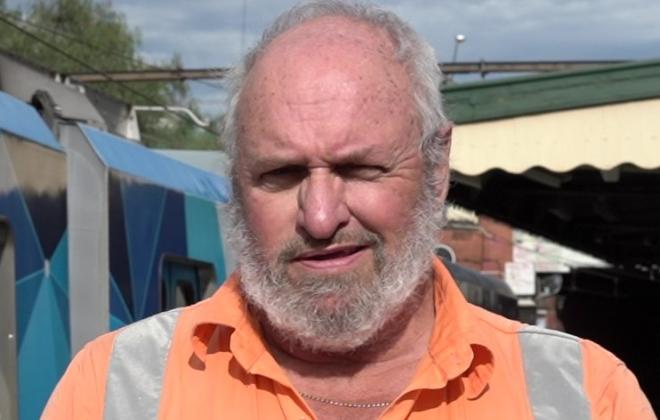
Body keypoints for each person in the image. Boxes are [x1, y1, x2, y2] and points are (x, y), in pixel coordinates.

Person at [43, 1, 654, 419]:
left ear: (437, 169)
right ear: (235, 180)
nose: (319, 216)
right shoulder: (111, 390)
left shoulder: (587, 396)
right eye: (280, 175)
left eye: (360, 169)